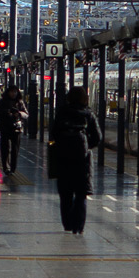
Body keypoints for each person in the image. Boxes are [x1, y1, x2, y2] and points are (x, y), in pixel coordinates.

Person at [48, 85, 104, 235]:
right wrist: (86, 147)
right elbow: (98, 137)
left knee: (65, 194)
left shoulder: (62, 112)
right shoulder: (88, 114)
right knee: (81, 194)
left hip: (63, 159)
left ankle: (67, 224)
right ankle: (78, 226)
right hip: (82, 160)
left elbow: (53, 133)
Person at [0, 77, 27, 177]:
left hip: (16, 128)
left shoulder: (20, 102)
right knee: (5, 148)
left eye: (15, 92)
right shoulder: (2, 102)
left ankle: (13, 168)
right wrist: (7, 112)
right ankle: (6, 167)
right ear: (8, 92)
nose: (14, 94)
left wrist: (19, 114)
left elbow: (26, 114)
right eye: (12, 92)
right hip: (5, 128)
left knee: (15, 149)